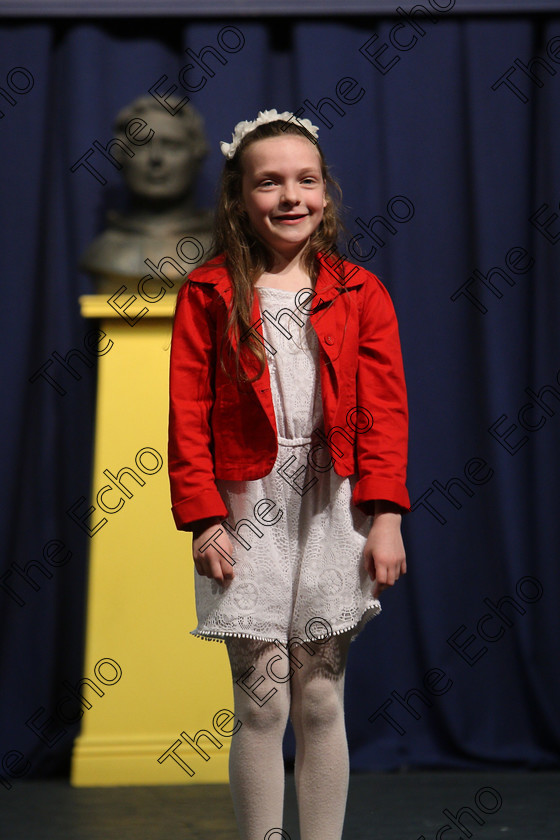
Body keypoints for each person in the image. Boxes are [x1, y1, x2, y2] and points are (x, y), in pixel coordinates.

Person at [168, 109, 411, 840]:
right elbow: (187, 411)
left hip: (335, 500)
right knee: (262, 702)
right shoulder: (208, 293)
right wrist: (204, 515)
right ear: (240, 196)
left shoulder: (358, 290)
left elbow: (385, 410)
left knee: (319, 697)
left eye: (306, 180)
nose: (290, 196)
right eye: (269, 182)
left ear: (326, 194)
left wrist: (388, 515)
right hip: (245, 501)